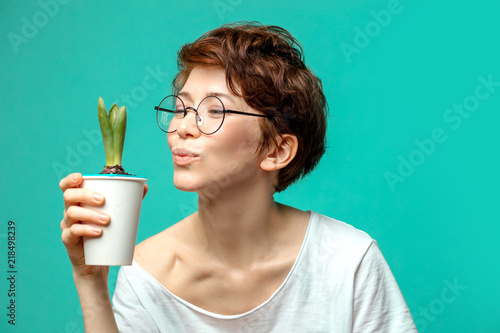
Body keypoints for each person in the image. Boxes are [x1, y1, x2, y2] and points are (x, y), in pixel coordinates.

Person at [60, 22, 417, 332]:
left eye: (213, 110)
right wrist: (90, 282)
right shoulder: (145, 275)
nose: (182, 127)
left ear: (277, 150)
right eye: (181, 107)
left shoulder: (348, 262)